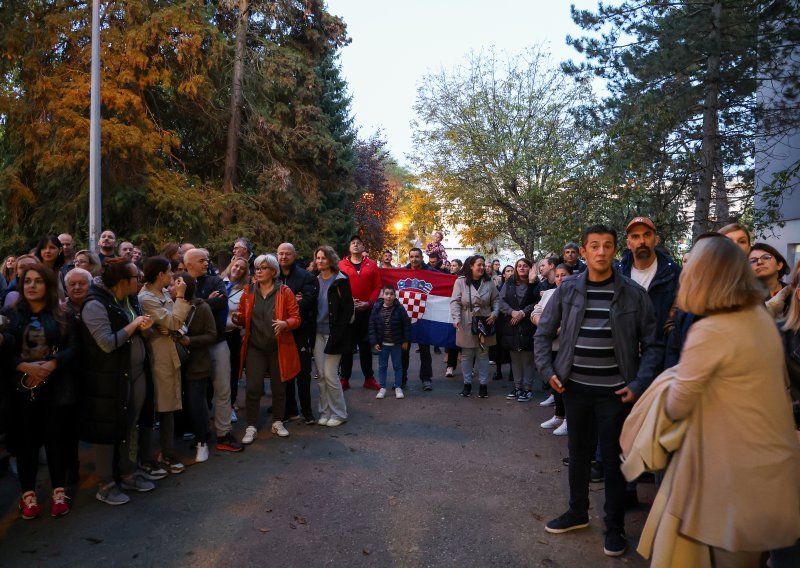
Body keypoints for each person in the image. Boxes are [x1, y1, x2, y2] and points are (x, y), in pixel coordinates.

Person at [654, 236, 800, 565]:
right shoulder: (758, 318)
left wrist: (665, 385)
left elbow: (677, 406)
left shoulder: (712, 330)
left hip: (730, 471)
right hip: (770, 462)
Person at [534, 224, 662, 557]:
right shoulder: (568, 289)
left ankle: (614, 527)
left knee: (613, 462)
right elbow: (543, 333)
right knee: (578, 454)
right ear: (585, 251)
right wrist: (548, 371)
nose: (601, 252)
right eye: (594, 246)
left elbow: (652, 345)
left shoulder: (634, 293)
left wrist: (637, 385)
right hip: (574, 389)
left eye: (607, 246)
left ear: (616, 250)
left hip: (615, 395)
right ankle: (577, 512)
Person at [0, 264, 78, 519]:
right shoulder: (10, 315)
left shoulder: (62, 314)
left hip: (54, 387)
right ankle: (28, 495)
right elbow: (5, 352)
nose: (31, 285)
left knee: (56, 442)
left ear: (47, 285)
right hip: (21, 390)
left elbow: (73, 348)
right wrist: (23, 366)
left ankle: (59, 491)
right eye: (27, 281)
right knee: (26, 445)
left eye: (37, 281)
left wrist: (52, 364)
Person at [80, 258, 157, 505]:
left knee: (131, 424)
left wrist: (145, 328)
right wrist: (134, 325)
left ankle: (129, 472)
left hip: (135, 373)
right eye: (137, 278)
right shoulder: (94, 304)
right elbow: (106, 343)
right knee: (109, 427)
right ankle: (106, 483)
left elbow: (141, 333)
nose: (140, 281)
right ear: (124, 281)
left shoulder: (129, 299)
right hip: (109, 379)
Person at [234, 254, 301, 443]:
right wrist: (238, 318)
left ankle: (277, 421)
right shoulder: (248, 291)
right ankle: (251, 425)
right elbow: (241, 316)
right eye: (257, 268)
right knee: (253, 387)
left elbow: (297, 318)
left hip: (278, 346)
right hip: (255, 346)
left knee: (280, 387)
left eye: (263, 268)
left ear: (273, 271)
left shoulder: (284, 292)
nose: (259, 271)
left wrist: (285, 323)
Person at [183, 248, 242, 452]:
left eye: (207, 259)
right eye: (201, 260)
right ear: (189, 264)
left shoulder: (216, 281)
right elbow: (179, 306)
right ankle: (201, 433)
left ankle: (224, 431)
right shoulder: (182, 281)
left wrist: (195, 304)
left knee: (222, 389)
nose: (206, 263)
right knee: (197, 394)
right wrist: (207, 302)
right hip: (193, 347)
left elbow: (222, 301)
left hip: (217, 343)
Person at [138, 256, 191, 474]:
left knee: (169, 406)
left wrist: (171, 326)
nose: (173, 276)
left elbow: (178, 326)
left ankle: (166, 452)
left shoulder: (162, 294)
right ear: (160, 274)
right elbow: (174, 321)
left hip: (169, 355)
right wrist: (180, 298)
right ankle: (148, 457)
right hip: (157, 358)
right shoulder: (146, 298)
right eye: (170, 271)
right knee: (156, 408)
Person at [171, 273, 217, 463]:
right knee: (175, 405)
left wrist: (191, 341)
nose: (171, 287)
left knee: (196, 404)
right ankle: (173, 444)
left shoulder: (202, 307)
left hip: (197, 363)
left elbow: (212, 335)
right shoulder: (169, 306)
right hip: (174, 363)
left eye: (176, 284)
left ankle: (202, 442)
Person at [619, 216, 680, 349]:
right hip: (625, 352)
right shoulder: (618, 274)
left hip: (661, 350)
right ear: (628, 244)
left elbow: (678, 315)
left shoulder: (673, 273)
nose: (642, 241)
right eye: (635, 237)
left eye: (647, 235)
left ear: (656, 240)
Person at [276, 243, 318, 425]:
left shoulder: (305, 276)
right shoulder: (272, 274)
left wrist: (284, 307)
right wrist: (293, 300)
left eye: (287, 254)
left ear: (294, 255)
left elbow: (308, 300)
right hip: (281, 330)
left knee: (303, 372)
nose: (283, 257)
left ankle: (307, 411)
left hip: (301, 330)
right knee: (284, 372)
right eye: (280, 254)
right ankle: (289, 409)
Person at [311, 245, 352, 427]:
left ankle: (339, 413)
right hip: (317, 333)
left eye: (323, 258)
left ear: (331, 260)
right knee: (320, 375)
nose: (320, 261)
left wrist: (339, 333)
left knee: (330, 375)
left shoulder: (341, 280)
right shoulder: (313, 280)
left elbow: (347, 310)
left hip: (334, 334)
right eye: (318, 258)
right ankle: (325, 411)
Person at [532, 264, 574, 435]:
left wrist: (557, 328)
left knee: (567, 385)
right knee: (555, 382)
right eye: (557, 275)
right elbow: (535, 312)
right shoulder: (549, 293)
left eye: (564, 275)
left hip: (567, 346)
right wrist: (542, 323)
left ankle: (568, 420)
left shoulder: (576, 295)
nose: (560, 279)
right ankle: (558, 415)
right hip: (551, 345)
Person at [450, 255, 500, 398]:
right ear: (471, 266)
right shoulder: (460, 282)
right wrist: (456, 319)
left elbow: (496, 300)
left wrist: (495, 313)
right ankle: (467, 384)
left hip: (485, 321)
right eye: (479, 264)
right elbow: (455, 302)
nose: (482, 267)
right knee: (466, 355)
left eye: (483, 265)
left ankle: (483, 385)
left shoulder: (489, 282)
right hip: (466, 321)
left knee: (483, 354)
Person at [338, 235, 381, 391]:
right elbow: (336, 287)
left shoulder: (372, 265)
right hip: (348, 313)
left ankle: (369, 378)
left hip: (366, 312)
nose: (356, 245)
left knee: (365, 347)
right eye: (353, 243)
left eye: (359, 243)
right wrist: (348, 303)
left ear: (363, 248)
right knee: (347, 347)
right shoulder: (341, 265)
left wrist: (368, 303)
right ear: (349, 247)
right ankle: (344, 379)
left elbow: (377, 287)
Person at [499, 259, 539, 402]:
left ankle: (527, 389)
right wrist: (512, 312)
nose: (522, 268)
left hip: (529, 323)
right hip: (511, 323)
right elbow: (501, 300)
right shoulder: (509, 282)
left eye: (525, 266)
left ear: (530, 268)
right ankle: (517, 387)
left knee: (528, 358)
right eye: (519, 266)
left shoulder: (535, 283)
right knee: (515, 358)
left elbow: (537, 302)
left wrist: (522, 313)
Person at [368, 285, 411, 399]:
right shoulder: (376, 308)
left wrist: (406, 341)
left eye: (391, 294)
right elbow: (371, 326)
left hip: (396, 344)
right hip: (382, 345)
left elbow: (406, 325)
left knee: (398, 366)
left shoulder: (400, 308)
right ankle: (382, 387)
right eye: (386, 293)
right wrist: (374, 342)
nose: (389, 296)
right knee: (382, 366)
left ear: (395, 296)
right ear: (383, 295)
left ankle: (398, 386)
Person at [403, 248, 437, 390]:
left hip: (424, 316)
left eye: (417, 256)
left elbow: (443, 280)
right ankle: (401, 378)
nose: (414, 259)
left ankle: (426, 378)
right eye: (412, 256)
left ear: (422, 257)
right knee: (403, 350)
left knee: (425, 350)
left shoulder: (431, 272)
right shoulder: (402, 272)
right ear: (409, 258)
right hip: (406, 318)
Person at [223, 257, 250, 421]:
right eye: (236, 266)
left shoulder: (245, 290)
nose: (238, 269)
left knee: (232, 373)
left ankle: (230, 405)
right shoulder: (218, 283)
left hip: (232, 334)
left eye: (242, 268)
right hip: (215, 334)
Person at [748, 242, 790, 316]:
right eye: (753, 261)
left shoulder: (793, 292)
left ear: (779, 265)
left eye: (766, 257)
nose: (759, 262)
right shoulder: (743, 296)